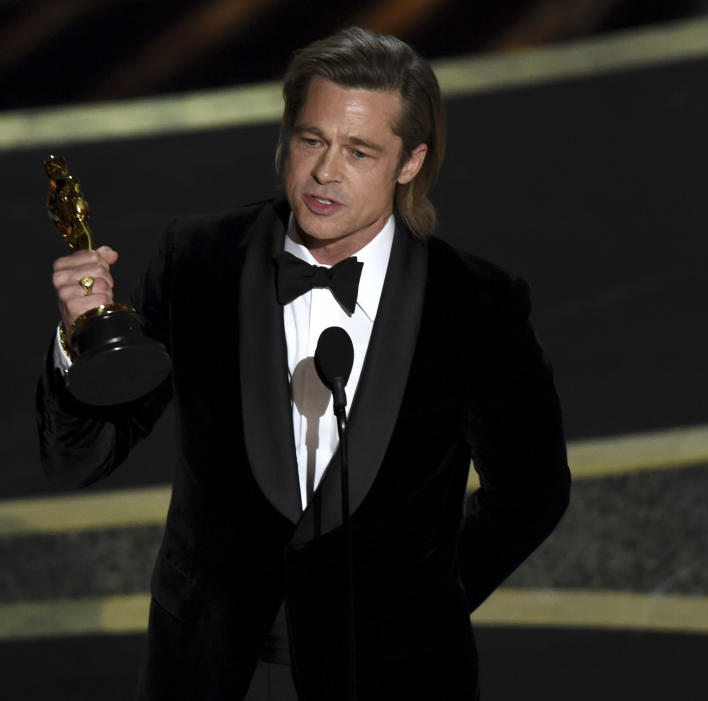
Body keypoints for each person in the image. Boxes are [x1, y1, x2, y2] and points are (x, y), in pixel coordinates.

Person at [37, 27, 570, 701]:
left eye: (360, 150)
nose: (325, 172)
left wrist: (422, 608)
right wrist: (79, 336)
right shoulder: (199, 260)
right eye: (312, 139)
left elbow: (533, 491)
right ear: (285, 137)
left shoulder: (476, 304)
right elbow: (80, 455)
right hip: (211, 670)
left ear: (410, 162)